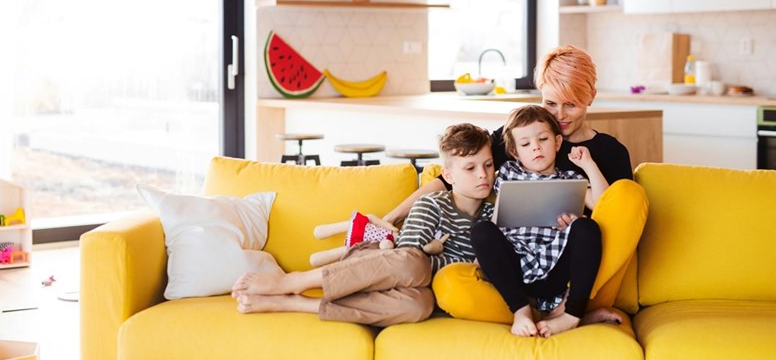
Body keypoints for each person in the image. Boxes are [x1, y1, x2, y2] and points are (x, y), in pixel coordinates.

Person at [384, 45, 649, 323]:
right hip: (516, 261)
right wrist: (392, 217)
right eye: (550, 103)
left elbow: (618, 220)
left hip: (572, 264)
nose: (559, 115)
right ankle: (529, 311)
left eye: (570, 104)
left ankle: (572, 308)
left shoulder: (610, 152)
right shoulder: (521, 134)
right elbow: (454, 175)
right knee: (469, 257)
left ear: (591, 97)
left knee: (591, 225)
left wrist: (580, 215)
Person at [231, 122, 496, 327]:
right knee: (414, 263)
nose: (483, 175)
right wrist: (451, 263)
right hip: (380, 262)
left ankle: (297, 304)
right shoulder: (434, 204)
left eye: (488, 165)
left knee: (418, 307)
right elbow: (404, 259)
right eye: (470, 168)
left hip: (422, 292)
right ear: (448, 175)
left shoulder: (493, 216)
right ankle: (294, 282)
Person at [471, 104, 613, 337]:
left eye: (543, 139)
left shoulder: (571, 178)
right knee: (482, 230)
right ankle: (521, 310)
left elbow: (602, 204)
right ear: (515, 153)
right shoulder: (508, 172)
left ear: (557, 143)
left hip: (556, 268)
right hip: (515, 267)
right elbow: (494, 212)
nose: (535, 147)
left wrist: (588, 165)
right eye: (525, 144)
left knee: (587, 227)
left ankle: (572, 314)